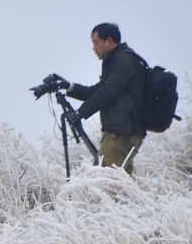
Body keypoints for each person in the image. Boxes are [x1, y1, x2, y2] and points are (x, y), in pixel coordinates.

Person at [63, 22, 147, 175]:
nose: (93, 48)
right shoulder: (115, 60)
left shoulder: (125, 60)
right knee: (119, 186)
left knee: (103, 181)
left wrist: (81, 112)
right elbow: (99, 90)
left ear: (108, 41)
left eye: (95, 42)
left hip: (122, 135)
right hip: (120, 133)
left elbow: (108, 92)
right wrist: (69, 87)